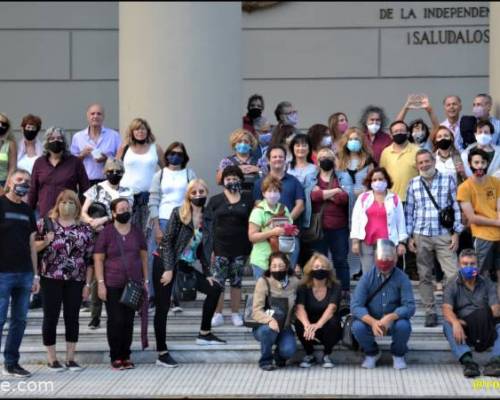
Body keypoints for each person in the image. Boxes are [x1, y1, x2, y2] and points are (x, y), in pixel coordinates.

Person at [158, 179, 226, 349]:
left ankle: (204, 333)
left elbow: (203, 248)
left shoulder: (207, 218)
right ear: (188, 195)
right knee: (163, 306)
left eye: (201, 192)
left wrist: (208, 273)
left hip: (185, 266)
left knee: (215, 288)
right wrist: (168, 269)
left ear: (206, 193)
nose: (198, 195)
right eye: (194, 192)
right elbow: (166, 242)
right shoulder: (179, 213)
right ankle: (161, 348)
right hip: (166, 263)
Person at [35, 190, 94, 371]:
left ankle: (70, 358)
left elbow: (89, 259)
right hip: (50, 277)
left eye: (71, 202)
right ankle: (52, 359)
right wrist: (46, 241)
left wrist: (88, 284)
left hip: (76, 278)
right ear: (57, 203)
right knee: (50, 317)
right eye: (63, 201)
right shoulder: (45, 224)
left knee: (72, 317)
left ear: (77, 205)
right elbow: (33, 248)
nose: (66, 205)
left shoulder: (85, 228)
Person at [405, 149, 463, 327]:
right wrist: (409, 237)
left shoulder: (448, 179)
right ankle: (430, 311)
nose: (424, 165)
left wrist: (456, 232)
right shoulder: (413, 183)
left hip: (443, 234)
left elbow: (455, 206)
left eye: (427, 161)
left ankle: (453, 309)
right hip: (421, 234)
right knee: (424, 275)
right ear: (417, 165)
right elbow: (409, 211)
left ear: (433, 161)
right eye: (420, 162)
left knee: (453, 274)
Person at [94, 197, 148, 370]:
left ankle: (126, 355)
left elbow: (144, 257)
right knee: (116, 320)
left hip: (133, 283)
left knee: (128, 320)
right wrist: (100, 283)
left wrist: (145, 280)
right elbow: (98, 258)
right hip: (112, 283)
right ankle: (116, 356)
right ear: (114, 213)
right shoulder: (107, 232)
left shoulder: (137, 231)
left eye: (127, 208)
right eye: (121, 209)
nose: (125, 211)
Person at [81, 158, 133, 329]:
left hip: (120, 235)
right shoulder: (95, 189)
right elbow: (83, 212)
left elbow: (126, 212)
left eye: (118, 171)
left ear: (123, 173)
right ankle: (95, 315)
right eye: (111, 170)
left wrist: (104, 218)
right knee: (98, 275)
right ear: (105, 172)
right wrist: (91, 222)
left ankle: (118, 311)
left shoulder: (127, 191)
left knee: (119, 272)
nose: (114, 174)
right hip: (98, 235)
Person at [351, 239, 416, 370]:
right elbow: (356, 306)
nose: (385, 268)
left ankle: (398, 354)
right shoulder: (367, 278)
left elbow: (410, 306)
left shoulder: (402, 278)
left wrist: (391, 317)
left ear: (395, 260)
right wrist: (373, 322)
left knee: (404, 326)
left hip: (393, 321)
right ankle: (372, 353)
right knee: (357, 327)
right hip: (371, 320)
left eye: (388, 261)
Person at [0, 169, 39, 378]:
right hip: (2, 273)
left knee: (20, 320)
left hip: (24, 273)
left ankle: (12, 363)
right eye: (19, 179)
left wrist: (35, 275)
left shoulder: (27, 210)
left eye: (27, 181)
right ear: (9, 182)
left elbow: (32, 244)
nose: (23, 183)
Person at [147, 142, 196, 308]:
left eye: (179, 154)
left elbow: (194, 198)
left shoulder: (189, 174)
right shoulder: (159, 175)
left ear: (184, 157)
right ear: (167, 155)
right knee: (156, 260)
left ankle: (175, 297)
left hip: (183, 220)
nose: (175, 156)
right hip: (162, 219)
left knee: (177, 259)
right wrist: (156, 226)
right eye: (172, 153)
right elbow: (153, 201)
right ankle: (154, 296)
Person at [204, 166, 253, 327]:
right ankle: (217, 314)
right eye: (228, 179)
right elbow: (208, 226)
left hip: (240, 249)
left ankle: (235, 313)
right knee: (218, 283)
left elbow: (252, 223)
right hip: (219, 249)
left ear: (241, 180)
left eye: (235, 178)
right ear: (223, 181)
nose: (232, 181)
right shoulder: (215, 200)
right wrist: (210, 249)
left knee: (236, 282)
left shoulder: (248, 199)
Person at [442, 248, 500, 378]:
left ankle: (495, 362)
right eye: (465, 264)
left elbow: (495, 311)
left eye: (472, 264)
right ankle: (468, 362)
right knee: (448, 324)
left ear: (478, 265)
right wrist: (456, 322)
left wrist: (470, 319)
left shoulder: (487, 283)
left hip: (486, 324)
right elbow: (446, 309)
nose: (469, 267)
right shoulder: (452, 284)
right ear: (459, 265)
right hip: (466, 330)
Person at [252, 145, 305, 270]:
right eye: (274, 157)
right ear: (268, 160)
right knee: (266, 272)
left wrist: (284, 223)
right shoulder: (259, 183)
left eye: (281, 156)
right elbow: (257, 204)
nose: (277, 159)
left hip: (288, 236)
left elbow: (300, 205)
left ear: (285, 159)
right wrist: (273, 226)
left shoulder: (294, 181)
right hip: (266, 237)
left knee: (287, 271)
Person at [351, 167, 407, 274]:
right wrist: (355, 242)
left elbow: (401, 221)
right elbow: (356, 219)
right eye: (374, 180)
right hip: (366, 242)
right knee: (369, 274)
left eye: (381, 179)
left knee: (387, 273)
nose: (378, 182)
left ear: (386, 180)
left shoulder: (394, 198)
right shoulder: (363, 197)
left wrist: (402, 243)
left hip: (388, 243)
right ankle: (372, 292)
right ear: (370, 182)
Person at [336, 128, 375, 281]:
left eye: (357, 140)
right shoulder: (339, 161)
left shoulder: (368, 161)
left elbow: (373, 182)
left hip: (362, 206)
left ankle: (359, 269)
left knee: (359, 236)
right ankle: (345, 268)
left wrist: (365, 190)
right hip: (342, 205)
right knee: (344, 237)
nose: (354, 142)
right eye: (351, 139)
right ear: (346, 142)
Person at [457, 148, 500, 285]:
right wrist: (497, 222)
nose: (480, 165)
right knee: (480, 274)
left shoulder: (496, 182)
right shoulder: (464, 187)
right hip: (482, 236)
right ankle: (477, 305)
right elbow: (472, 218)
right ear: (470, 164)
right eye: (476, 162)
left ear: (487, 164)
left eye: (483, 162)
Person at [310, 148, 350, 296]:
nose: (325, 159)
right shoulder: (311, 177)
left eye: (329, 157)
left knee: (340, 260)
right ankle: (321, 291)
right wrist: (335, 191)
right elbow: (312, 197)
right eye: (322, 157)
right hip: (318, 227)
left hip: (339, 227)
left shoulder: (343, 177)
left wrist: (321, 193)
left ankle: (344, 291)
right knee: (319, 262)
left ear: (334, 161)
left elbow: (344, 198)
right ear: (317, 161)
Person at [252, 252, 300, 371]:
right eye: (274, 266)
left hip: (285, 326)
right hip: (265, 326)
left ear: (287, 266)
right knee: (268, 331)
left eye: (281, 266)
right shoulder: (263, 282)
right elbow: (256, 310)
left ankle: (279, 357)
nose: (277, 269)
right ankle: (265, 360)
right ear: (269, 267)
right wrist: (269, 320)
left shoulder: (295, 282)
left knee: (289, 350)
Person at [28, 127, 90, 218]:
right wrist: (28, 212)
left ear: (64, 142)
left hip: (68, 214)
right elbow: (33, 190)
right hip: (45, 214)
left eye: (59, 138)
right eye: (52, 138)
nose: (56, 141)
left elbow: (85, 189)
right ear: (46, 142)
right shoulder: (39, 163)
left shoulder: (75, 162)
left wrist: (80, 209)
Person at [117, 118, 165, 234]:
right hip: (127, 196)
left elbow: (166, 169)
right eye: (137, 129)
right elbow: (115, 167)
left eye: (143, 129)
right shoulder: (125, 147)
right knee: (128, 231)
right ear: (132, 132)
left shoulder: (155, 148)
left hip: (149, 196)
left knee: (148, 231)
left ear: (148, 131)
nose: (140, 132)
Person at [294, 253, 342, 368]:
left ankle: (327, 354)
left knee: (334, 322)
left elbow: (332, 308)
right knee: (299, 322)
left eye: (323, 267)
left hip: (327, 323)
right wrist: (307, 325)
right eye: (316, 267)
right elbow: (299, 308)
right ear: (310, 269)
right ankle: (309, 354)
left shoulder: (336, 285)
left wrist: (318, 325)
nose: (319, 270)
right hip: (309, 325)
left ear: (328, 270)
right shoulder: (303, 286)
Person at [249, 174, 298, 280]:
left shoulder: (284, 209)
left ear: (280, 193)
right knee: (263, 293)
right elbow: (252, 237)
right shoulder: (258, 211)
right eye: (269, 191)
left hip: (281, 261)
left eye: (276, 191)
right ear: (263, 193)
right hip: (262, 261)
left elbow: (287, 228)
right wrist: (272, 232)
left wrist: (292, 231)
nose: (272, 194)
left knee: (280, 293)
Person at [71, 104, 121, 187]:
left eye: (99, 114)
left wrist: (107, 159)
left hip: (108, 182)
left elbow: (121, 161)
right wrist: (82, 155)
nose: (95, 116)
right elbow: (71, 163)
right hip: (85, 182)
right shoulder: (78, 137)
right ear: (87, 116)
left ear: (103, 117)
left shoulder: (114, 135)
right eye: (92, 113)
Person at [287, 134, 318, 268]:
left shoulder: (315, 168)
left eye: (304, 145)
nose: (301, 148)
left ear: (309, 148)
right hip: (288, 209)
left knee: (305, 246)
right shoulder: (286, 166)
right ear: (292, 148)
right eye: (297, 145)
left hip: (307, 212)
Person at [379, 120, 419, 202]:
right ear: (391, 135)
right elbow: (382, 175)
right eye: (396, 131)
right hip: (390, 199)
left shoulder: (417, 151)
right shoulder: (385, 152)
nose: (399, 133)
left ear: (408, 133)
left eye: (402, 130)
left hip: (412, 199)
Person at [216, 128, 263, 193]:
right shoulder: (226, 161)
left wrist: (259, 170)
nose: (243, 144)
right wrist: (235, 169)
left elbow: (269, 180)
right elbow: (218, 181)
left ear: (251, 145)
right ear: (234, 144)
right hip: (234, 197)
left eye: (246, 142)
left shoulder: (259, 161)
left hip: (254, 197)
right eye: (239, 141)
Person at [0, 113, 17, 194]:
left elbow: (12, 168)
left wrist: (6, 188)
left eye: (3, 124)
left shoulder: (10, 144)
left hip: (3, 182)